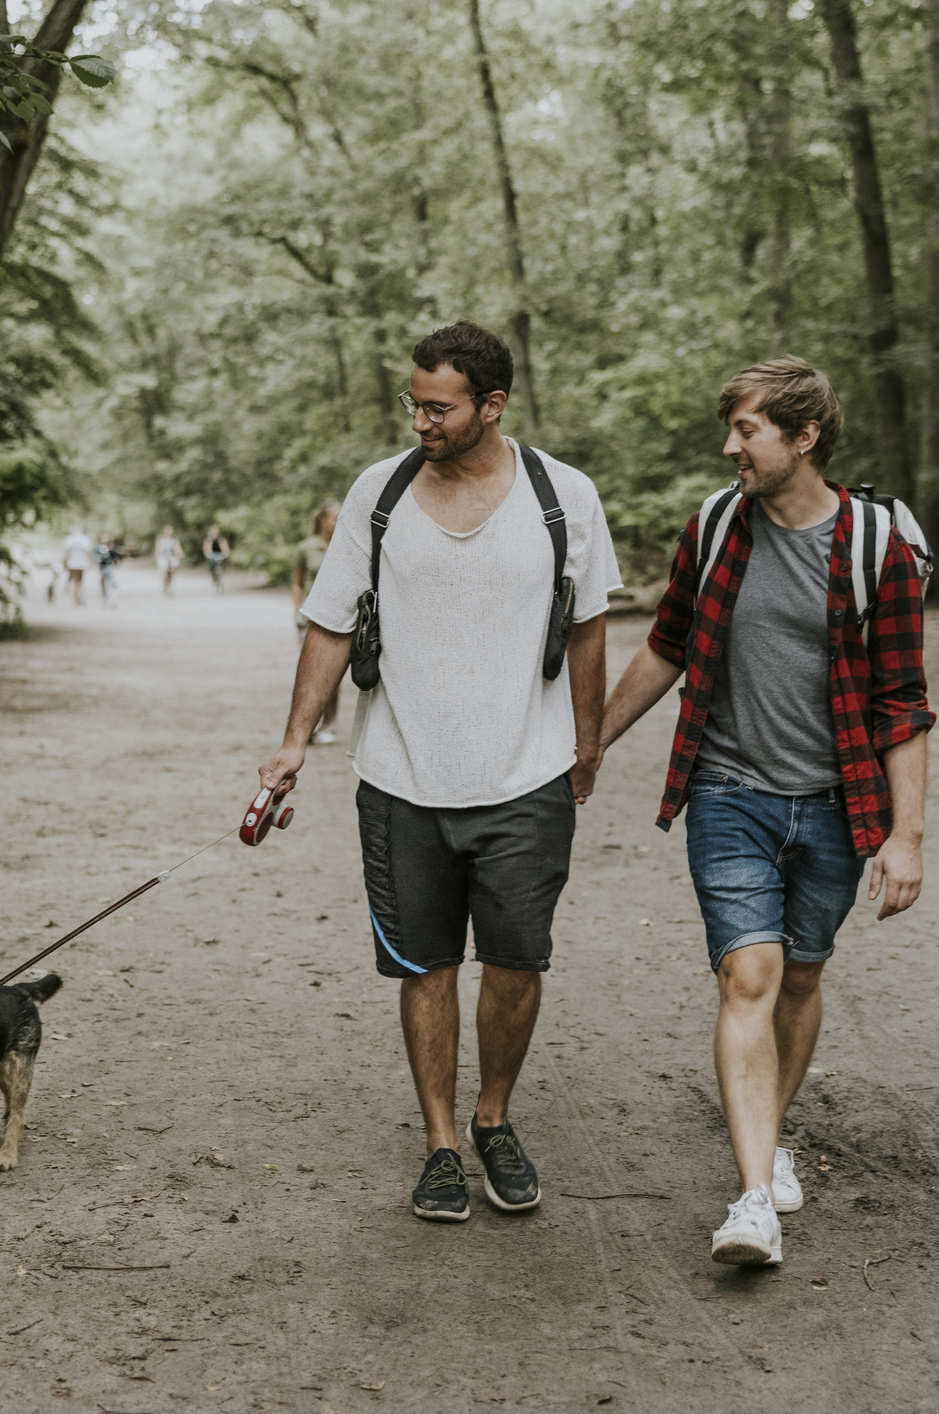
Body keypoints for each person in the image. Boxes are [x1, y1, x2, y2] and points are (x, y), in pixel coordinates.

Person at [258, 322, 621, 1223]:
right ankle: (441, 1143)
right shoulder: (377, 496)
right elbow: (331, 625)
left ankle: (493, 1118)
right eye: (413, 402)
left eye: (439, 407)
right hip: (400, 779)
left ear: (491, 406)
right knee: (424, 967)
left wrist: (588, 743)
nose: (421, 420)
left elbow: (588, 626)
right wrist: (296, 741)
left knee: (514, 962)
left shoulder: (562, 497)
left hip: (526, 777)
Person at [597, 356, 934, 1267]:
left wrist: (904, 837)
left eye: (747, 429)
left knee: (801, 978)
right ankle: (753, 1201)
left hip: (834, 803)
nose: (729, 446)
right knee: (748, 975)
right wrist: (591, 743)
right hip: (728, 791)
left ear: (804, 436)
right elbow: (668, 644)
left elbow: (902, 700)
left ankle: (771, 1134)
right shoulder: (715, 527)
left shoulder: (876, 549)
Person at [291, 500, 342, 746]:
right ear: (322, 520)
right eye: (335, 517)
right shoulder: (306, 548)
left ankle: (328, 725)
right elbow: (297, 582)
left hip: (339, 617)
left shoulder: (347, 545)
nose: (338, 522)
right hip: (310, 617)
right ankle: (306, 727)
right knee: (309, 672)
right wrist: (297, 611)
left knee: (332, 674)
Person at [62, 526, 94, 607]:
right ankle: (79, 599)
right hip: (82, 564)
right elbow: (88, 552)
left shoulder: (69, 539)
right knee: (79, 582)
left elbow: (67, 552)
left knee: (76, 581)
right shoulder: (85, 539)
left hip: (72, 564)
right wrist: (90, 563)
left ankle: (77, 599)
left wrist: (65, 563)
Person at [96, 532, 123, 608]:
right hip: (104, 569)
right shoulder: (99, 548)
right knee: (105, 585)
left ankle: (113, 600)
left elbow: (118, 559)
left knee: (112, 585)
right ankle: (105, 600)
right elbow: (98, 560)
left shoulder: (113, 550)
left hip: (111, 568)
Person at [155, 525, 184, 595]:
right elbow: (158, 548)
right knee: (164, 569)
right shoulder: (160, 539)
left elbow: (177, 548)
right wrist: (157, 554)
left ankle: (171, 584)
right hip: (163, 556)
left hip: (172, 556)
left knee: (172, 568)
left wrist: (180, 553)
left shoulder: (174, 539)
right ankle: (163, 584)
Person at [202, 524, 230, 592]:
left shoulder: (221, 539)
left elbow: (225, 548)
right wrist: (207, 553)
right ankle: (213, 579)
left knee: (220, 566)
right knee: (212, 567)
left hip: (220, 554)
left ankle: (220, 580)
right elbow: (206, 549)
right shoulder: (208, 540)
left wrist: (226, 552)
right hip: (212, 555)